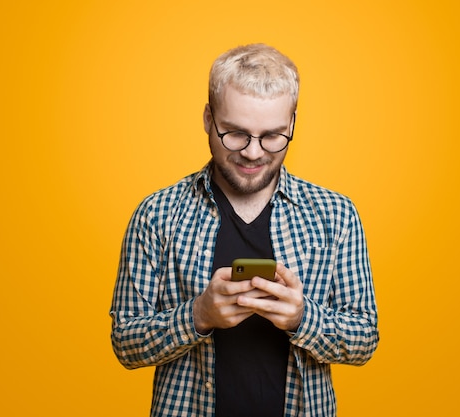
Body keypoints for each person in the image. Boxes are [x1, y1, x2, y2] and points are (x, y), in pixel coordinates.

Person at [110, 43, 379, 417]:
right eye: (235, 134)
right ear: (208, 119)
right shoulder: (157, 214)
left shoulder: (335, 215)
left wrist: (303, 318)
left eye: (272, 136)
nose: (253, 153)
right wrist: (198, 315)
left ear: (292, 125)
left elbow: (364, 338)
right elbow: (126, 343)